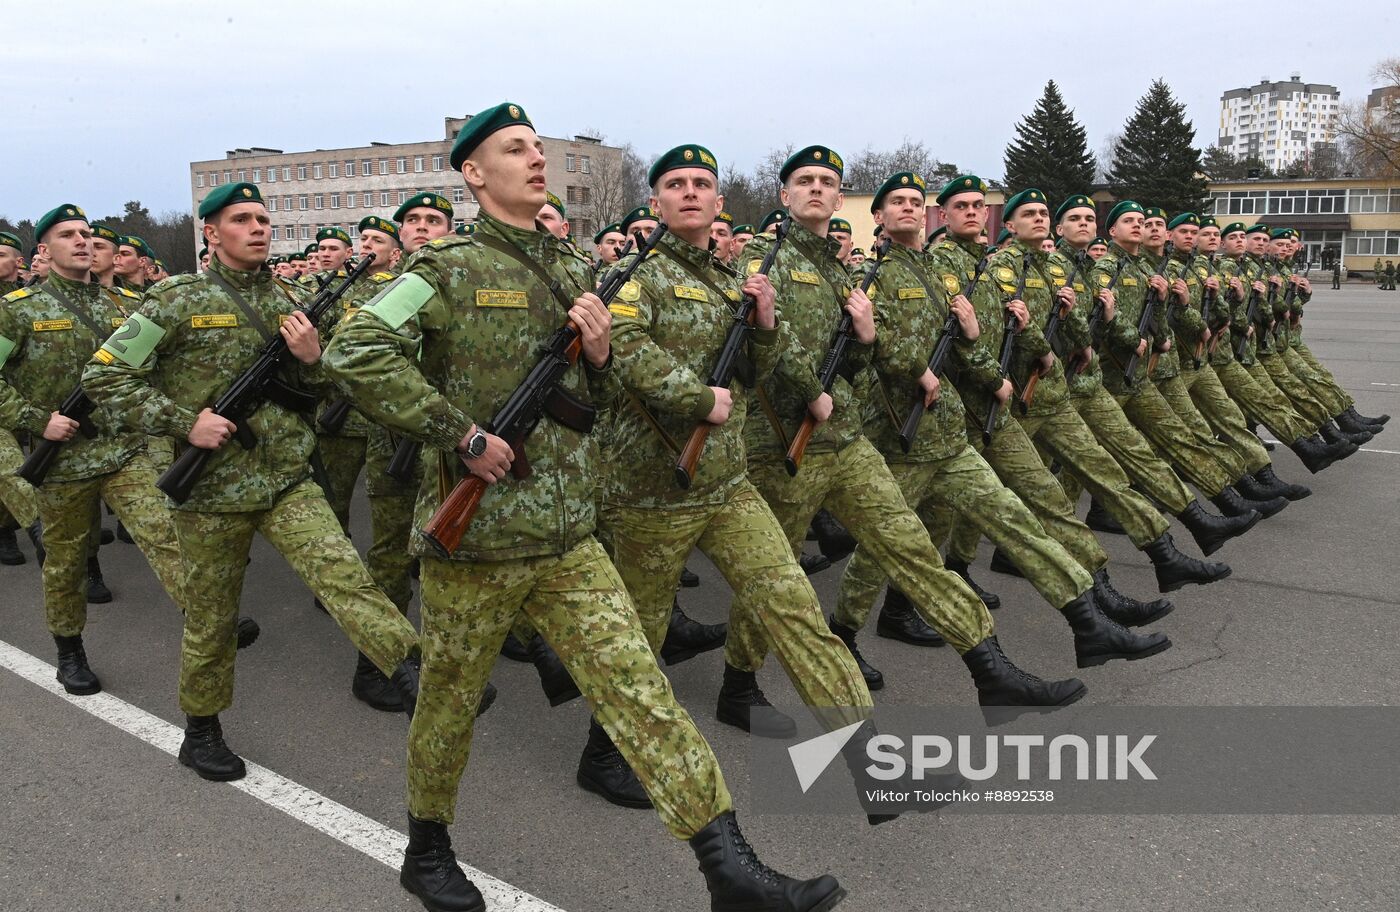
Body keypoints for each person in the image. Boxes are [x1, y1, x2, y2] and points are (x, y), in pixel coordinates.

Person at [324, 106, 845, 912]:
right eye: (515, 150)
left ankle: (729, 867)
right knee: (449, 708)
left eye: (538, 148)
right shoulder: (441, 269)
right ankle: (426, 849)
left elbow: (597, 398)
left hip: (569, 535)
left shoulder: (574, 269)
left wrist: (600, 358)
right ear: (473, 172)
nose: (535, 160)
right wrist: (458, 435)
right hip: (481, 542)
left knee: (643, 691)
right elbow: (352, 350)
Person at [83, 183, 423, 783]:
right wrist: (184, 421)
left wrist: (315, 360)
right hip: (212, 491)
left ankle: (412, 671)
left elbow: (321, 396)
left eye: (264, 218)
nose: (259, 228)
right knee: (212, 618)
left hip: (286, 478)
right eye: (242, 219)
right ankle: (202, 729)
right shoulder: (173, 300)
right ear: (211, 233)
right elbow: (103, 377)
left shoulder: (293, 299)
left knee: (344, 575)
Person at [1, 204, 221, 700]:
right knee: (66, 561)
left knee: (166, 535)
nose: (81, 241)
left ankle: (207, 618)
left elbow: (158, 368)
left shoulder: (127, 307)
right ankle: (69, 649)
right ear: (43, 250)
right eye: (67, 235)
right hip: (63, 464)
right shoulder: (17, 310)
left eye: (86, 234)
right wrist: (38, 421)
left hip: (126, 452)